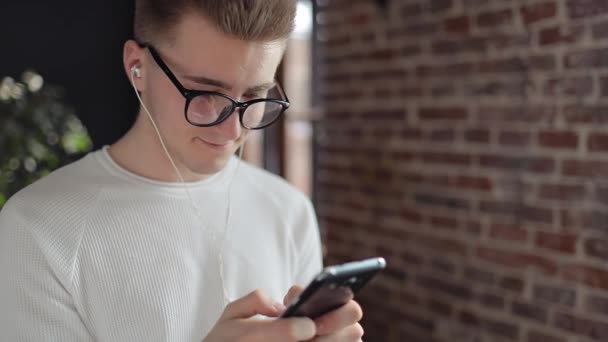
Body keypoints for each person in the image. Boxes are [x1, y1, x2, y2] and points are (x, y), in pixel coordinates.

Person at [0, 1, 365, 341]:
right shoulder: (36, 229)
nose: (233, 130)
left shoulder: (289, 209)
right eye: (204, 94)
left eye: (255, 98)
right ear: (136, 67)